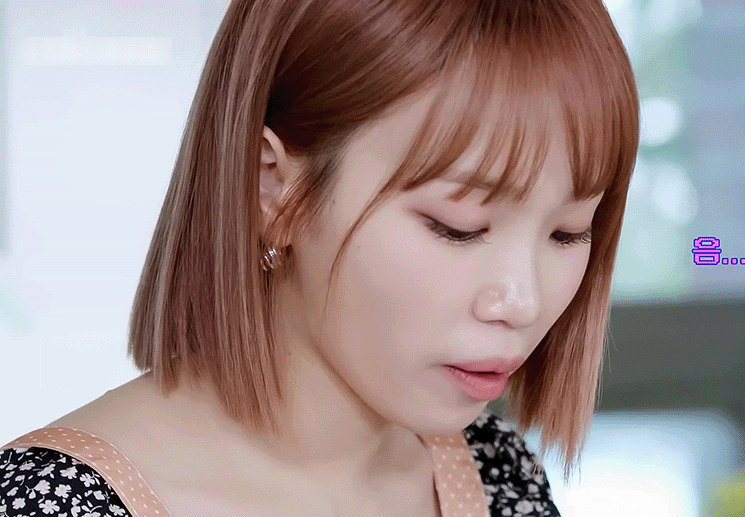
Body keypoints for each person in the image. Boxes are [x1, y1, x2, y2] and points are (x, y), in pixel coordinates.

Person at [0, 0, 640, 515]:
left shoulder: (497, 475)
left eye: (568, 233)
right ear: (271, 188)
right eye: (458, 227)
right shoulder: (51, 505)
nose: (522, 301)